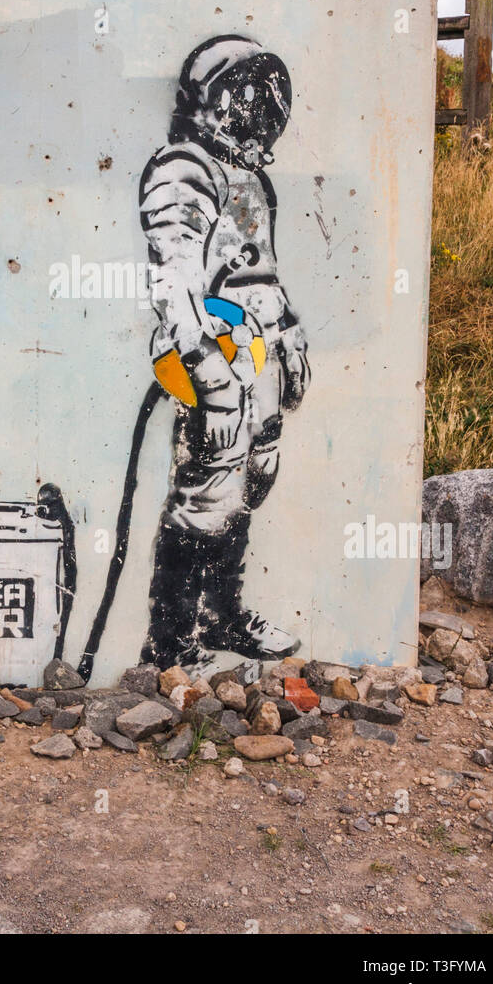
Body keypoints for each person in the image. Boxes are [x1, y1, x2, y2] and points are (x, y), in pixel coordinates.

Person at [139, 35, 310, 671]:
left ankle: (222, 618)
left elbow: (259, 274)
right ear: (214, 100)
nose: (263, 111)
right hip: (209, 358)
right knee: (208, 492)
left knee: (250, 483)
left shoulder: (248, 178)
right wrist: (211, 381)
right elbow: (175, 290)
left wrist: (287, 331)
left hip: (255, 355)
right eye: (249, 96)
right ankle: (173, 640)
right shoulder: (183, 171)